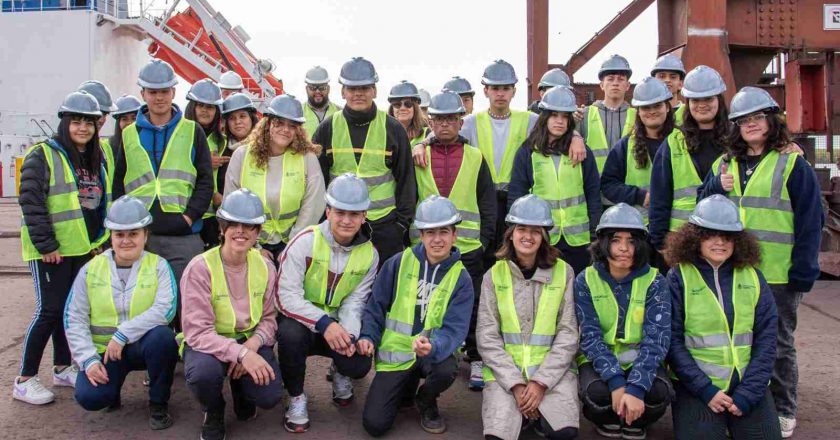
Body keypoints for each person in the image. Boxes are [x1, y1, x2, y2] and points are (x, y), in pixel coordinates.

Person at [699, 87, 824, 438]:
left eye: (756, 118)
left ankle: (784, 409)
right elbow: (702, 207)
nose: (750, 125)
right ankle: (744, 404)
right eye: (743, 120)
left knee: (779, 344)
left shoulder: (792, 163)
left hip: (777, 274)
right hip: (734, 272)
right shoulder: (725, 164)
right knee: (738, 341)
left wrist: (803, 272)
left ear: (770, 121)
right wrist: (714, 187)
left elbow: (810, 221)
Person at [416, 60, 586, 266]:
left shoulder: (529, 119)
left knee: (513, 258)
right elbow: (443, 132)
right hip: (486, 200)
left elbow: (555, 127)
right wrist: (422, 143)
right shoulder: (471, 122)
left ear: (514, 91)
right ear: (486, 90)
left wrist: (576, 136)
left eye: (506, 88)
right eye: (495, 88)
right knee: (488, 257)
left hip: (514, 199)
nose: (500, 94)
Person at [14, 91, 109, 405]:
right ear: (65, 122)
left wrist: (97, 243)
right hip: (51, 251)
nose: (83, 128)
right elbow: (31, 200)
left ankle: (62, 366)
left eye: (89, 123)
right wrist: (46, 244)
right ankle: (25, 379)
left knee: (68, 311)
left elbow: (96, 205)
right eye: (77, 121)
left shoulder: (94, 157)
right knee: (48, 311)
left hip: (80, 248)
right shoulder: (43, 154)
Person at [665, 195, 781, 440]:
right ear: (695, 237)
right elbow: (672, 343)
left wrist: (749, 392)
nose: (719, 242)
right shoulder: (678, 277)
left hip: (748, 385)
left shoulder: (753, 277)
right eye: (709, 234)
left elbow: (768, 338)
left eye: (727, 236)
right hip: (697, 389)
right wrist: (705, 390)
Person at [112, 59, 214, 331]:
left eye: (164, 91)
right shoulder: (129, 134)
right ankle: (155, 362)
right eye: (152, 91)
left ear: (173, 92)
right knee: (145, 300)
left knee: (186, 301)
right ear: (143, 94)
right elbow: (119, 184)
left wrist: (189, 217)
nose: (159, 97)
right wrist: (123, 226)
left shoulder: (193, 131)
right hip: (142, 233)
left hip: (183, 233)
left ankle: (186, 358)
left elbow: (205, 181)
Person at [359, 196, 474, 436]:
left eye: (444, 231)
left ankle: (426, 399)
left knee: (446, 369)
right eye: (430, 232)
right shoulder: (398, 263)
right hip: (396, 354)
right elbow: (376, 305)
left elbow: (455, 329)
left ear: (455, 235)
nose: (437, 239)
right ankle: (406, 388)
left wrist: (433, 346)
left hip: (432, 354)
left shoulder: (461, 279)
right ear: (420, 235)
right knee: (375, 425)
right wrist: (369, 335)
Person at [64, 196, 178, 429]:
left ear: (145, 236)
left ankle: (158, 403)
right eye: (119, 234)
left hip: (140, 346)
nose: (126, 240)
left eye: (133, 234)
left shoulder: (158, 266)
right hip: (104, 352)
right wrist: (88, 359)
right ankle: (111, 391)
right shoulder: (91, 269)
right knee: (90, 398)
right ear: (111, 237)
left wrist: (123, 334)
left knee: (164, 339)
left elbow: (165, 309)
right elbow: (74, 318)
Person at [275, 174, 378, 433]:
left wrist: (350, 336)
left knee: (359, 363)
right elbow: (285, 296)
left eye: (354, 214)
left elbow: (355, 303)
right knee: (288, 335)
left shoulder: (370, 254)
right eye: (340, 212)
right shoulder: (304, 241)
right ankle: (296, 396)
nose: (346, 220)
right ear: (328, 211)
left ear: (364, 216)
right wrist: (323, 323)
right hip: (304, 323)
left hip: (338, 325)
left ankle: (341, 371)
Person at [410, 90, 497, 391]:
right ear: (430, 121)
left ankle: (475, 358)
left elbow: (487, 202)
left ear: (461, 122)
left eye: (451, 119)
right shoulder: (418, 152)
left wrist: (484, 240)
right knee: (423, 302)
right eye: (439, 119)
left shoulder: (475, 157)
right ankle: (422, 353)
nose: (445, 124)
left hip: (468, 248)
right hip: (426, 249)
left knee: (472, 305)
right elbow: (409, 197)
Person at [181, 189, 283, 440]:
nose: (241, 231)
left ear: (258, 232)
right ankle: (213, 409)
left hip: (248, 339)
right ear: (222, 228)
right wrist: (241, 354)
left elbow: (270, 318)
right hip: (209, 344)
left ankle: (241, 389)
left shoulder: (266, 267)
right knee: (203, 375)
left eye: (249, 226)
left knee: (269, 395)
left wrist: (252, 345)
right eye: (233, 224)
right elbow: (197, 332)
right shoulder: (200, 268)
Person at [478, 194, 580, 440]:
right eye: (521, 229)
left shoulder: (564, 272)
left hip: (551, 376)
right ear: (510, 233)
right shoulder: (494, 275)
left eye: (536, 231)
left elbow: (569, 333)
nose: (527, 236)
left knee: (564, 433)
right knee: (497, 437)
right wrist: (516, 384)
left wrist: (540, 383)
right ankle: (523, 413)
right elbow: (487, 336)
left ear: (544, 236)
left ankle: (534, 416)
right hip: (506, 377)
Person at [575, 203, 672, 439]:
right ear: (604, 243)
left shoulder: (655, 280)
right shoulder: (585, 279)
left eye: (631, 241)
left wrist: (636, 388)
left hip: (641, 360)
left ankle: (636, 421)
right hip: (599, 362)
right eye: (616, 240)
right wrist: (617, 382)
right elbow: (589, 336)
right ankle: (608, 419)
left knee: (658, 391)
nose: (624, 248)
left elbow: (657, 339)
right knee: (597, 393)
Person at [312, 56, 416, 264]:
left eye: (365, 87)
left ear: (375, 91)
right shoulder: (327, 128)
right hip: (340, 227)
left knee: (384, 290)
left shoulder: (393, 129)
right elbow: (317, 182)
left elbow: (407, 182)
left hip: (384, 228)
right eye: (351, 88)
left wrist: (400, 227)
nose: (358, 93)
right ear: (343, 92)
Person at [508, 86, 601, 275]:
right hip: (543, 238)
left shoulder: (582, 152)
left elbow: (593, 193)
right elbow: (517, 195)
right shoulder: (527, 152)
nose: (560, 121)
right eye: (554, 115)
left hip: (578, 240)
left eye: (565, 117)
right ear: (544, 117)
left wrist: (594, 232)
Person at [225, 94, 325, 264]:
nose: (285, 129)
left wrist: (293, 245)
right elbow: (232, 204)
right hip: (250, 245)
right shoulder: (242, 156)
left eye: (292, 126)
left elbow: (314, 203)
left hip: (294, 245)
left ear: (298, 130)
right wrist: (254, 247)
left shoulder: (306, 158)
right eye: (279, 123)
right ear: (268, 123)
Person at [648, 65, 730, 255]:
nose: (701, 105)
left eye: (708, 98)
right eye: (695, 99)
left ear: (719, 99)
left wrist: (790, 146)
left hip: (725, 239)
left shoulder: (737, 139)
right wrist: (661, 243)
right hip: (682, 240)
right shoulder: (674, 142)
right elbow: (660, 196)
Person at [600, 77, 675, 272]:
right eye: (645, 107)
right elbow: (608, 184)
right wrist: (639, 196)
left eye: (657, 105)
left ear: (667, 107)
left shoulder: (682, 142)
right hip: (638, 234)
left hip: (674, 230)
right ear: (638, 112)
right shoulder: (626, 146)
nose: (651, 111)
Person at [184, 79, 227, 249]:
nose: (204, 110)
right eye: (200, 105)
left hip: (214, 214)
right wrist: (205, 161)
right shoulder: (182, 134)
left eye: (210, 107)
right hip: (189, 211)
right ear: (192, 107)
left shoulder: (221, 140)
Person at [576, 55, 636, 173]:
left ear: (627, 85)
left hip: (626, 186)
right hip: (595, 186)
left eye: (620, 79)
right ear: (602, 85)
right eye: (610, 78)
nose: (615, 83)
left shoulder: (637, 117)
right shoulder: (584, 115)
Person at [78, 80, 119, 182]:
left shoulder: (105, 149)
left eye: (105, 114)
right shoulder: (60, 149)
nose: (101, 119)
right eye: (98, 113)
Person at [302, 65, 341, 137]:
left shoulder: (340, 112)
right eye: (313, 88)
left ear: (328, 89)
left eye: (322, 88)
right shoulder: (298, 112)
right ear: (307, 89)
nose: (317, 91)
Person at [388, 80, 429, 145]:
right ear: (392, 108)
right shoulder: (384, 133)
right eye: (397, 104)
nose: (402, 108)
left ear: (415, 108)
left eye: (408, 104)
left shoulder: (428, 135)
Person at [650, 54, 686, 125]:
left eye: (673, 77)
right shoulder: (646, 114)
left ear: (680, 84)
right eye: (662, 76)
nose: (667, 80)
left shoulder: (688, 114)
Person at [107, 95, 143, 163]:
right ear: (118, 123)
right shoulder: (109, 147)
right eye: (124, 119)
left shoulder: (148, 141)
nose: (129, 123)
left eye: (134, 118)